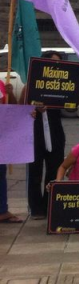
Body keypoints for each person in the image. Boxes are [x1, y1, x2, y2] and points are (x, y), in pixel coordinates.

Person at [26, 51, 67, 219]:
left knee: (55, 168)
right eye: (52, 62)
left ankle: (50, 204)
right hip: (35, 130)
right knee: (35, 170)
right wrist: (34, 107)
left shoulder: (63, 82)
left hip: (55, 129)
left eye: (58, 63)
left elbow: (70, 102)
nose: (55, 66)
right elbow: (23, 103)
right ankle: (36, 208)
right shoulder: (33, 81)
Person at [0, 77, 21, 224]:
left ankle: (2, 210)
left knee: (1, 174)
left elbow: (12, 108)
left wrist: (10, 93)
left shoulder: (1, 85)